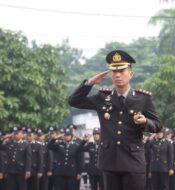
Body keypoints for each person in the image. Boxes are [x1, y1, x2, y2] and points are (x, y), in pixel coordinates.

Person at [68, 50, 161, 190]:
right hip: (109, 162)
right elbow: (74, 101)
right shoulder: (103, 97)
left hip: (133, 162)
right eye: (114, 71)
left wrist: (145, 122)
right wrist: (90, 83)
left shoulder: (142, 99)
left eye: (122, 71)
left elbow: (158, 125)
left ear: (130, 74)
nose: (117, 75)